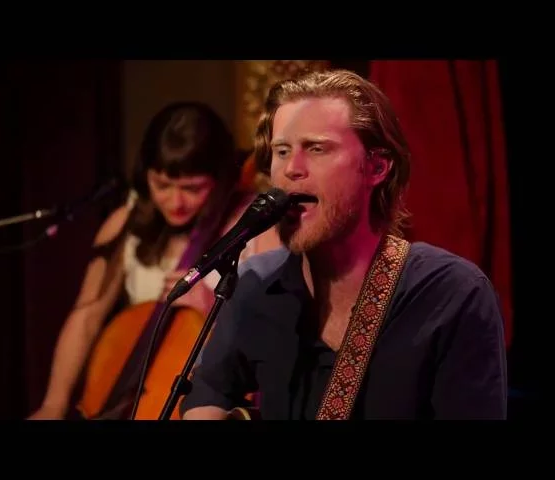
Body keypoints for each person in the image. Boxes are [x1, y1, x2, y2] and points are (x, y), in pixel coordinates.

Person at [179, 69, 508, 420]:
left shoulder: (451, 294)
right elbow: (206, 393)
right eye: (282, 151)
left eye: (316, 148)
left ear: (377, 167)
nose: (292, 169)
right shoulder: (256, 284)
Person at [28, 101, 281, 420]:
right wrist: (54, 404)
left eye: (192, 188)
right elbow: (87, 315)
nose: (175, 202)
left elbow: (273, 333)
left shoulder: (252, 228)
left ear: (218, 179)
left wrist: (210, 307)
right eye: (161, 185)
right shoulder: (125, 223)